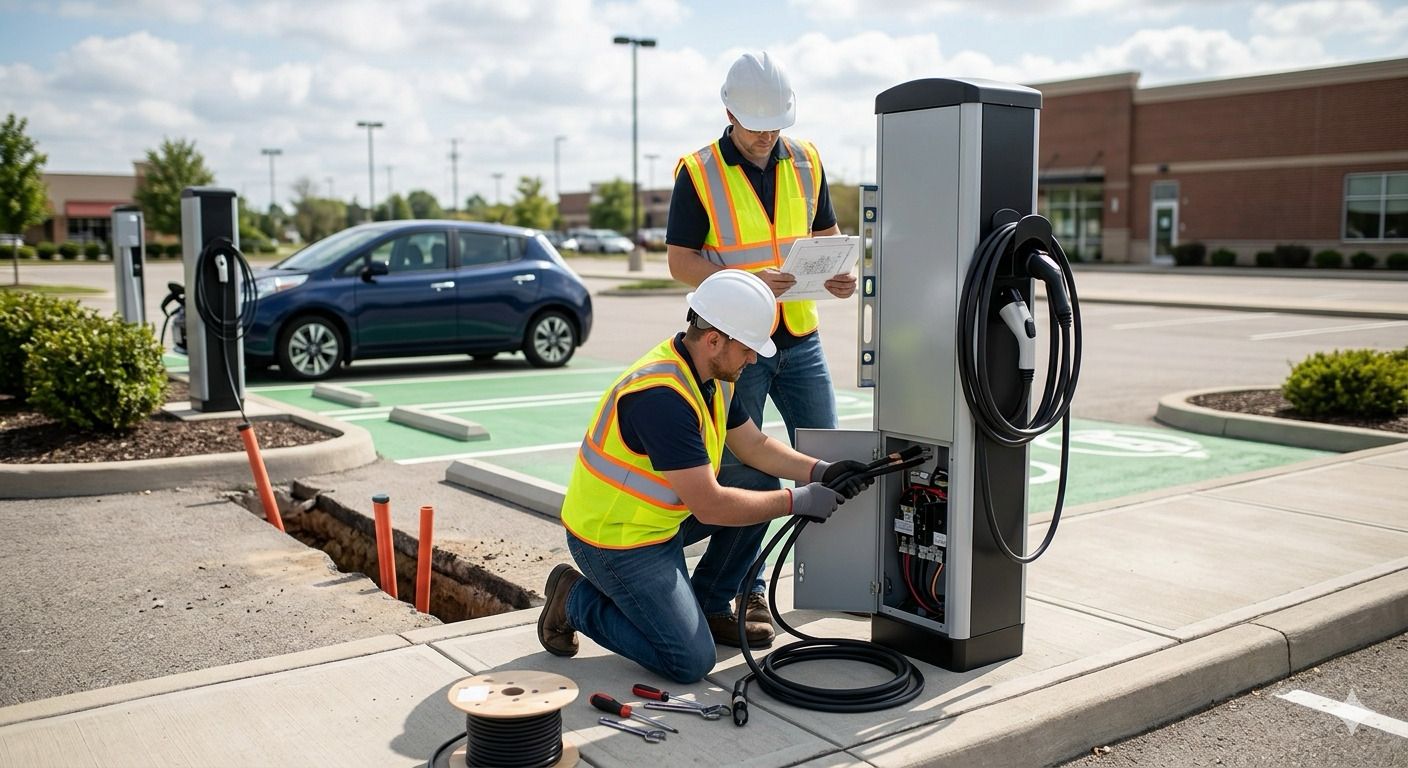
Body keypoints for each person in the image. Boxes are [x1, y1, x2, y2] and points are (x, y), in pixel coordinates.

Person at [537, 269, 870, 684]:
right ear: (714, 339)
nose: (755, 359)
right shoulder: (660, 396)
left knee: (758, 484)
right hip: (616, 541)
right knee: (689, 661)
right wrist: (797, 501)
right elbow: (711, 504)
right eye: (749, 349)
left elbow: (753, 447)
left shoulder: (712, 374)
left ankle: (709, 605)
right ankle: (574, 600)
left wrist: (819, 470)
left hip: (659, 522)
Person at [664, 51, 856, 647]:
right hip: (737, 344)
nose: (769, 134)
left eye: (777, 123)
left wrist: (836, 272)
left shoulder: (806, 159)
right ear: (728, 112)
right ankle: (736, 589)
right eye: (756, 124)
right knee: (745, 466)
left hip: (800, 336)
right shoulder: (698, 172)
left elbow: (822, 238)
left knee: (825, 451)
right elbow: (680, 262)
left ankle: (831, 580)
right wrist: (748, 285)